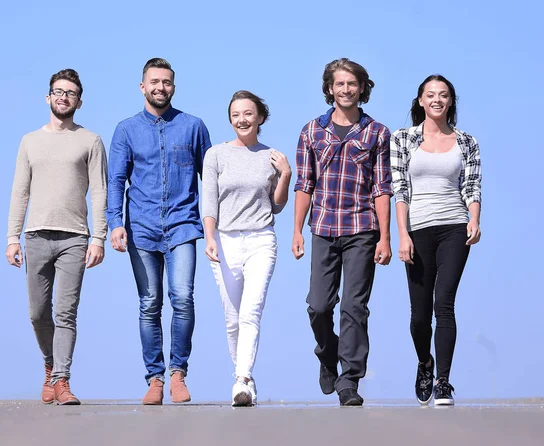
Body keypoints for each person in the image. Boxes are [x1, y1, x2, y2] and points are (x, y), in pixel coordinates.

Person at [107, 58, 212, 405]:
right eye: (154, 82)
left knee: (182, 298)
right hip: (141, 228)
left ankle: (178, 374)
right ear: (142, 86)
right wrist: (115, 223)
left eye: (166, 82)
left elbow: (209, 179)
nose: (160, 87)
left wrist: (214, 226)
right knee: (150, 303)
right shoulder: (125, 130)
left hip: (183, 225)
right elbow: (116, 180)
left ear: (174, 87)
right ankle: (154, 378)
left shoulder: (193, 126)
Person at [292, 58, 393, 406]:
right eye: (340, 84)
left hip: (362, 228)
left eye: (352, 84)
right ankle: (327, 352)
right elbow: (304, 184)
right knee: (319, 306)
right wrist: (297, 232)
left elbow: (382, 187)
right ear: (329, 89)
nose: (346, 90)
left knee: (354, 306)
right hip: (322, 227)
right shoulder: (311, 132)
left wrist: (385, 237)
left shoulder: (377, 133)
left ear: (362, 87)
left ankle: (349, 380)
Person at [6, 69, 108, 405]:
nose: (63, 97)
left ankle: (62, 380)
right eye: (58, 91)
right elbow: (20, 191)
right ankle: (49, 364)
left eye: (70, 93)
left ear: (80, 100)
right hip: (35, 236)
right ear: (48, 96)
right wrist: (12, 237)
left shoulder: (90, 141)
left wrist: (99, 238)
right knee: (37, 313)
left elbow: (100, 192)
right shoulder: (30, 141)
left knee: (66, 312)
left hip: (75, 237)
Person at [391, 74, 482, 406]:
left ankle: (443, 381)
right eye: (431, 95)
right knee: (419, 314)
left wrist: (474, 218)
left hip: (454, 227)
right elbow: (399, 190)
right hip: (417, 229)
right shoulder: (403, 139)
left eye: (443, 95)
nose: (437, 100)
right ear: (420, 101)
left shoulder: (466, 142)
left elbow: (471, 185)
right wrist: (401, 235)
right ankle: (425, 363)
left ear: (451, 101)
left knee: (444, 304)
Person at [202, 91, 291, 407]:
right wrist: (209, 237)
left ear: (260, 118)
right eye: (236, 114)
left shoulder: (271, 156)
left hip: (260, 240)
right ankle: (243, 376)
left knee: (251, 311)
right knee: (232, 317)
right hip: (224, 241)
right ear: (230, 118)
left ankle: (242, 381)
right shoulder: (215, 155)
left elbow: (277, 205)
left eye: (248, 113)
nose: (242, 119)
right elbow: (209, 200)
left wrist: (286, 174)